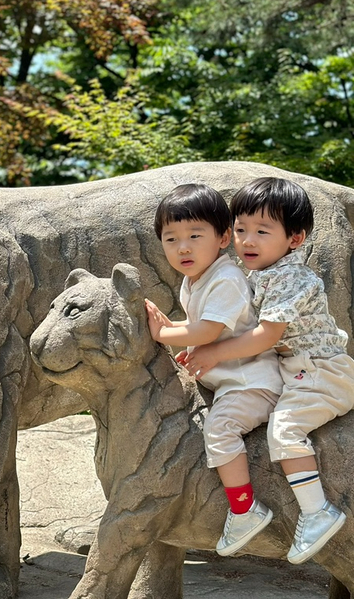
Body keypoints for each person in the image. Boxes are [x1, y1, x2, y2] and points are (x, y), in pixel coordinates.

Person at [185, 176, 354, 563]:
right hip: (297, 372)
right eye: (241, 229)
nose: (248, 240)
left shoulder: (292, 277)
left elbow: (265, 335)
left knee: (285, 430)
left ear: (294, 239)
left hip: (321, 373)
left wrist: (214, 353)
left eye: (262, 231)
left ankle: (317, 511)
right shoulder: (258, 276)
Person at [145, 183, 282, 557]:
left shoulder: (226, 278)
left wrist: (163, 332)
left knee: (220, 430)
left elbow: (207, 330)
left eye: (194, 235)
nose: (183, 247)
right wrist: (171, 331)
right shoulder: (196, 280)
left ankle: (245, 508)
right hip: (228, 381)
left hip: (251, 384)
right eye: (171, 238)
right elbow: (201, 329)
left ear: (223, 238)